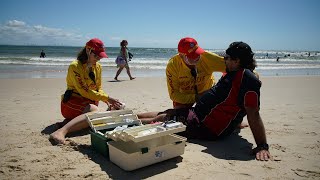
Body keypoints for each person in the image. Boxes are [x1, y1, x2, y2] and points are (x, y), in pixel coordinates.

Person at [138, 42, 272, 161]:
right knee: (169, 112)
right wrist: (235, 122)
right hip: (198, 114)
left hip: (205, 126)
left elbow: (253, 113)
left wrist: (262, 145)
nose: (224, 60)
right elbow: (233, 101)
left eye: (227, 58)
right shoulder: (235, 72)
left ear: (236, 61)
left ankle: (132, 124)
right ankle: (133, 116)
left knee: (163, 118)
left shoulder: (247, 80)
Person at [49, 38, 123, 145]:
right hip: (71, 103)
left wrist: (106, 100)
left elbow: (98, 88)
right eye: (96, 56)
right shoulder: (75, 66)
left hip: (89, 102)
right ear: (88, 50)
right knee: (94, 112)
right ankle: (61, 132)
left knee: (105, 112)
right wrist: (106, 98)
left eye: (100, 56)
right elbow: (84, 91)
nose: (98, 59)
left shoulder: (97, 67)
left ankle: (67, 123)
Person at [166, 37, 225, 109]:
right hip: (185, 95)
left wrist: (221, 87)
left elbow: (231, 68)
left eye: (197, 53)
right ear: (181, 55)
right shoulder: (173, 65)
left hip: (207, 92)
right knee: (178, 114)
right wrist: (196, 97)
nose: (197, 57)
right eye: (192, 56)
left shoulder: (207, 58)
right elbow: (173, 94)